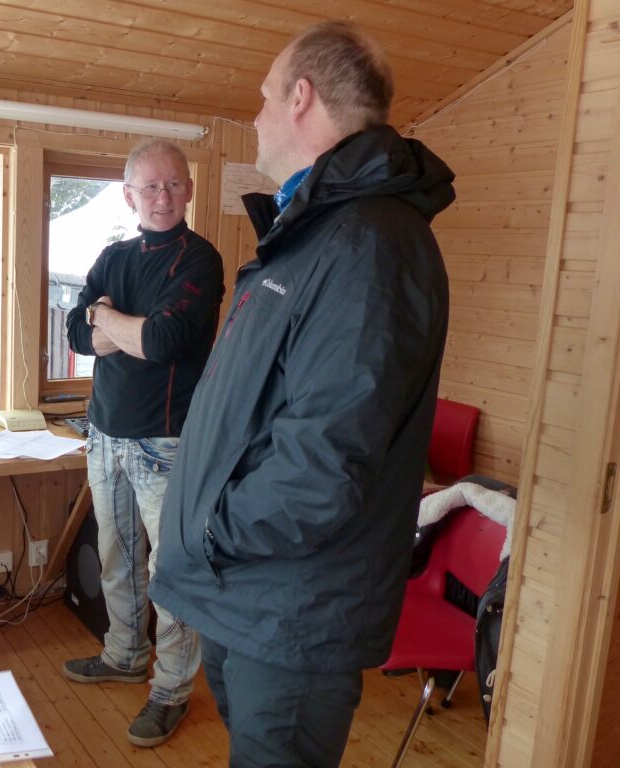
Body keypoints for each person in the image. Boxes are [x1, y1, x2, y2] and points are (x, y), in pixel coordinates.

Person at [149, 21, 455, 767]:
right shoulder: (315, 231)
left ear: (300, 97)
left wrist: (216, 529)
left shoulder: (371, 243)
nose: (254, 117)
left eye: (261, 98)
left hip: (293, 611)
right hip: (250, 595)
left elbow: (323, 461)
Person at [62, 139, 224, 747]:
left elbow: (161, 341)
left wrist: (107, 318)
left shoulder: (199, 261)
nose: (163, 197)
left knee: (171, 571)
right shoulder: (112, 257)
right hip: (104, 435)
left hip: (168, 443)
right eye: (150, 187)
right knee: (116, 556)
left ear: (187, 190)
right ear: (129, 195)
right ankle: (125, 653)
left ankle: (170, 690)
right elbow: (78, 336)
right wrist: (108, 324)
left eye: (173, 185)